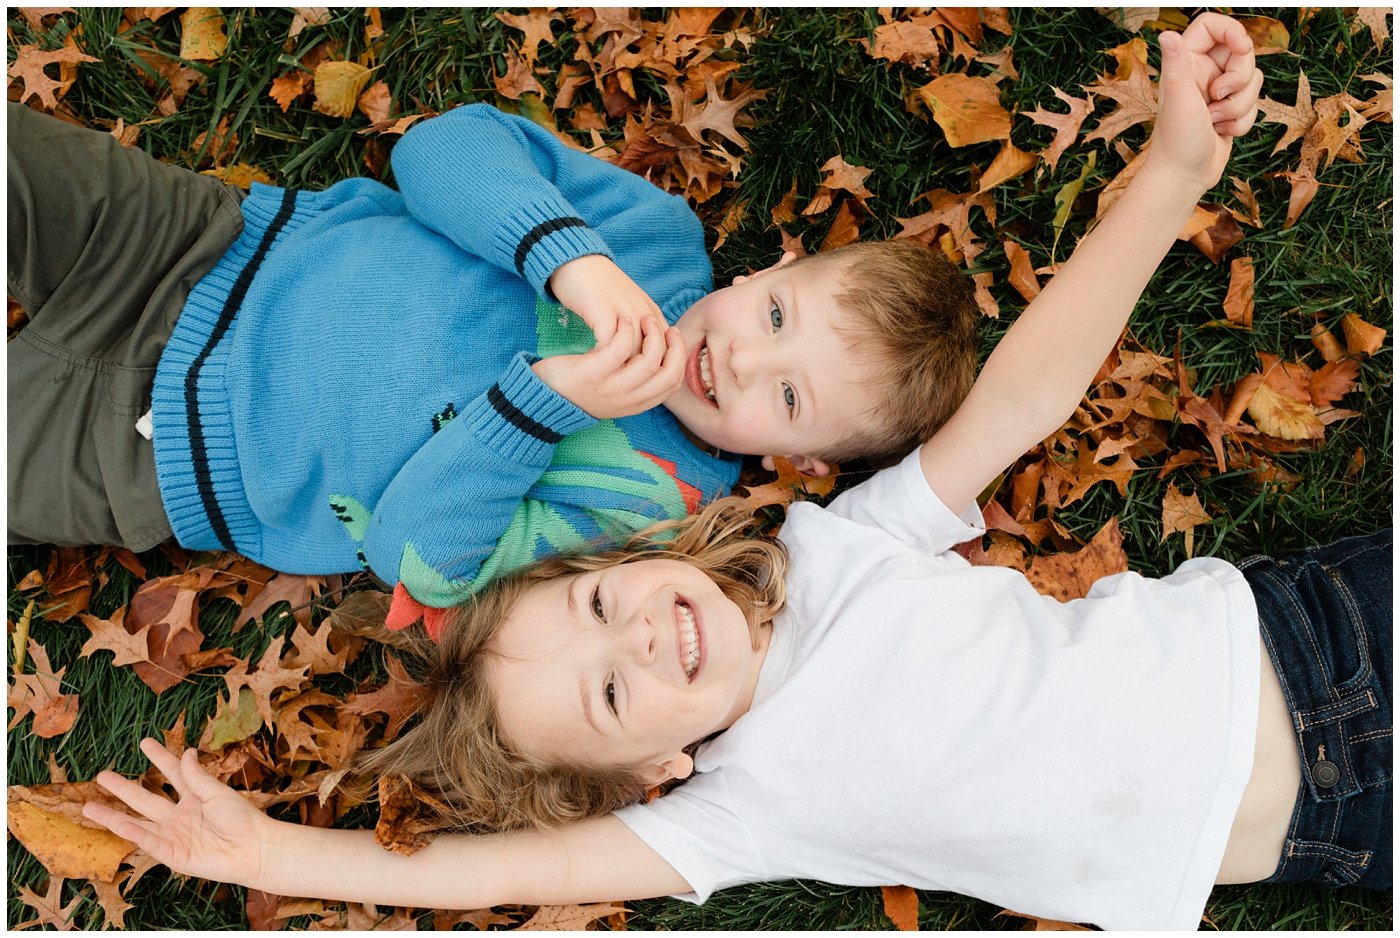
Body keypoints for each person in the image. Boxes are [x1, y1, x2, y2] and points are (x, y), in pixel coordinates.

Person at [84, 15, 1387, 930]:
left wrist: (1170, 173)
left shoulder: (841, 551)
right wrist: (264, 851)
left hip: (1312, 633)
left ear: (636, 558)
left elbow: (1026, 398)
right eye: (610, 692)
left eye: (599, 604)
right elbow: (483, 876)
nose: (641, 637)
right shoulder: (732, 819)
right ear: (651, 770)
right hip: (1347, 819)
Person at [6, 94, 979, 635]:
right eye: (774, 313)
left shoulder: (649, 502)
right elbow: (442, 147)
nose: (737, 354)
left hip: (156, 456)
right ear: (776, 266)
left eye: (786, 393)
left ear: (800, 463)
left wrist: (541, 404)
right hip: (188, 245)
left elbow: (417, 564)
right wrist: (572, 261)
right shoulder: (651, 240)